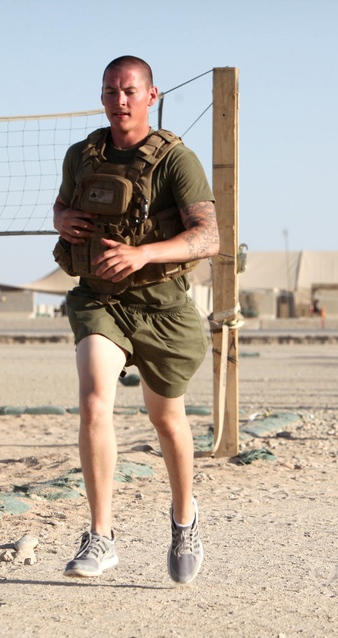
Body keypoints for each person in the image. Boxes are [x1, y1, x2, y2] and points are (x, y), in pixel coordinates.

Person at [51, 56, 219, 583]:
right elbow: (59, 206)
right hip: (100, 299)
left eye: (129, 91)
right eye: (109, 92)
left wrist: (144, 254)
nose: (119, 100)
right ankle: (101, 536)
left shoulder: (177, 160)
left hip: (162, 305)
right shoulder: (82, 155)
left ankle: (184, 518)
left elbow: (209, 237)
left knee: (166, 420)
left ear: (152, 95)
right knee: (94, 400)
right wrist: (63, 220)